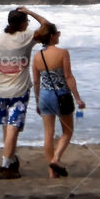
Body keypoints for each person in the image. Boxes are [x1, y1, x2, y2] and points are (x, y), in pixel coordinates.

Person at [0, 6, 50, 179]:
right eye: (27, 21)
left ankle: (11, 160)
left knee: (7, 126)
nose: (28, 23)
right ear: (23, 23)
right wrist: (30, 12)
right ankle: (5, 164)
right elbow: (47, 25)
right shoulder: (27, 37)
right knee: (13, 126)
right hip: (19, 91)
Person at [32, 22, 86, 178]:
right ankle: (55, 160)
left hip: (44, 96)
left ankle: (52, 171)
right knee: (67, 132)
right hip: (61, 95)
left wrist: (36, 102)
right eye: (58, 33)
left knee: (48, 134)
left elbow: (36, 82)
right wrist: (78, 98)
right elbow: (68, 76)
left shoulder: (37, 57)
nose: (59, 35)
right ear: (52, 36)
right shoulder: (63, 53)